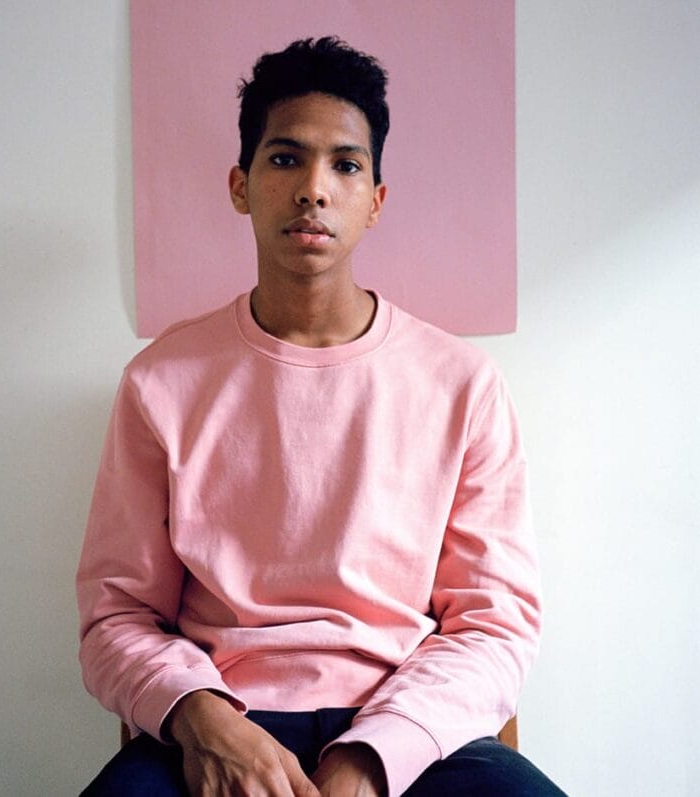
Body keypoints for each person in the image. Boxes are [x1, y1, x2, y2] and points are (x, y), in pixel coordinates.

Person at [77, 37, 564, 797]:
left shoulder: (463, 383)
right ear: (240, 186)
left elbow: (495, 621)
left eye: (345, 164)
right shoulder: (160, 383)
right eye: (284, 159)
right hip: (223, 717)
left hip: (409, 725)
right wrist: (207, 722)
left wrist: (373, 756)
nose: (313, 188)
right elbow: (116, 617)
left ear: (376, 199)